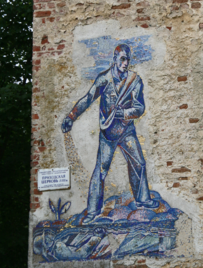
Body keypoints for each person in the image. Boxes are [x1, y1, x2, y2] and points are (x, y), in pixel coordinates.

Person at [62, 43, 159, 224]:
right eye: (122, 58)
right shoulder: (104, 79)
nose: (125, 62)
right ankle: (93, 210)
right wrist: (71, 116)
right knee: (101, 170)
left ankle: (143, 200)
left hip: (127, 130)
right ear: (114, 59)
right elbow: (87, 99)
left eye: (128, 59)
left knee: (139, 162)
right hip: (108, 133)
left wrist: (125, 113)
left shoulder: (134, 80)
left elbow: (140, 107)